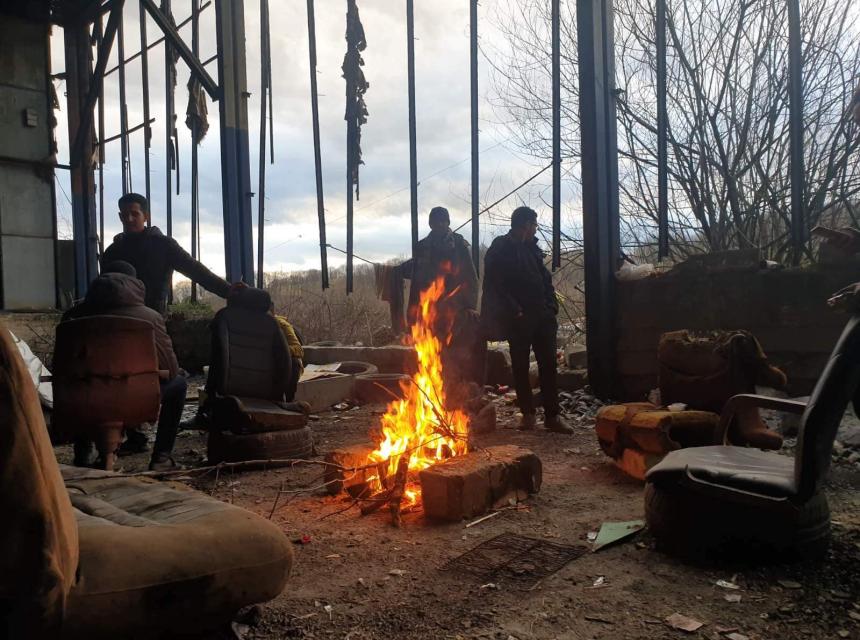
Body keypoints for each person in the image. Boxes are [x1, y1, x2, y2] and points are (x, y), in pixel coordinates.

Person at [63, 261, 186, 471]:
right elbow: (171, 369)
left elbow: (64, 366)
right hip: (136, 401)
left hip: (83, 401)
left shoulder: (72, 316)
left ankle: (83, 452)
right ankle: (161, 458)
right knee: (179, 384)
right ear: (134, 284)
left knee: (83, 380)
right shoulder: (150, 317)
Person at [481, 206, 573, 434]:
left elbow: (545, 280)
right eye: (533, 224)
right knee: (521, 367)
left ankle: (552, 416)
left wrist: (551, 306)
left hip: (542, 316)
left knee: (549, 365)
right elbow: (495, 284)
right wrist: (516, 311)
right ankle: (528, 414)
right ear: (524, 225)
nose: (535, 229)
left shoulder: (533, 249)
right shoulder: (502, 248)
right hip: (519, 319)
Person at [101, 193, 235, 313]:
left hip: (150, 320)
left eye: (135, 214)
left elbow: (195, 270)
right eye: (125, 215)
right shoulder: (112, 252)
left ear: (146, 216)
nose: (129, 219)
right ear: (120, 217)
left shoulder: (163, 245)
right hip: (119, 319)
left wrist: (229, 291)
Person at [402, 206, 485, 387]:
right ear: (430, 224)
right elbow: (416, 282)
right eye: (435, 221)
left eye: (443, 221)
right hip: (428, 312)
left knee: (456, 355)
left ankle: (458, 391)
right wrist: (412, 317)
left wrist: (468, 306)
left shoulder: (459, 245)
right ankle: (434, 390)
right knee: (431, 354)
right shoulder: (422, 247)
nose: (439, 224)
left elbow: (471, 278)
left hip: (455, 310)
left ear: (448, 222)